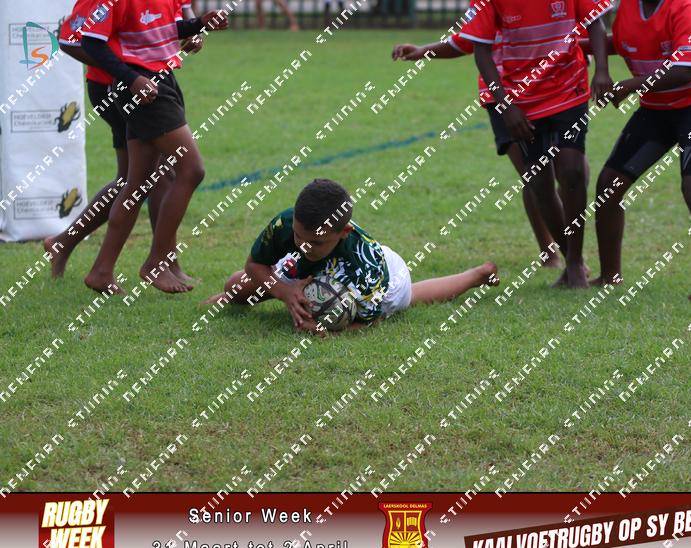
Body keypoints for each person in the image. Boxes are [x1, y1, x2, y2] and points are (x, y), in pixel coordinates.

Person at [204, 179, 499, 334]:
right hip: (314, 271)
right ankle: (277, 292)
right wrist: (284, 292)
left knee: (409, 297)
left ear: (343, 232)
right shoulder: (287, 223)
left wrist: (324, 330)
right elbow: (254, 265)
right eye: (298, 237)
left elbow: (369, 323)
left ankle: (474, 276)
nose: (304, 246)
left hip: (383, 278)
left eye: (315, 242)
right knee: (235, 287)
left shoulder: (367, 265)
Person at [44, 0, 199, 284]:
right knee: (156, 176)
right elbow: (70, 40)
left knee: (136, 178)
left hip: (148, 81)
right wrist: (128, 71)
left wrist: (194, 31)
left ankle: (71, 247)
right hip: (116, 88)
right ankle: (160, 262)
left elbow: (173, 20)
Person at [460, 0, 613, 288]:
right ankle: (568, 257)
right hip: (523, 98)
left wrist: (602, 70)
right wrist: (505, 106)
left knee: (572, 172)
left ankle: (575, 262)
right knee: (539, 183)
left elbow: (595, 22)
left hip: (569, 87)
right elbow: (480, 52)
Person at [79, 0, 228, 294]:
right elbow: (91, 42)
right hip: (141, 87)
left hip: (162, 78)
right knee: (191, 170)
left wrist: (199, 24)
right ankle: (156, 263)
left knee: (138, 183)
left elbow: (160, 30)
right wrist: (132, 79)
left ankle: (101, 271)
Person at [392, 26, 570, 269]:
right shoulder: (486, 9)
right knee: (533, 175)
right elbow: (469, 40)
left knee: (562, 170)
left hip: (549, 88)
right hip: (502, 96)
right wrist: (424, 51)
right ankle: (551, 253)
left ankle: (567, 251)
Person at [592, 0, 691, 302]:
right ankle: (609, 276)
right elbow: (621, 42)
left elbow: (685, 70)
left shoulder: (682, 7)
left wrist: (629, 85)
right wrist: (573, 48)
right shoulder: (628, 8)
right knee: (609, 184)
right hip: (656, 110)